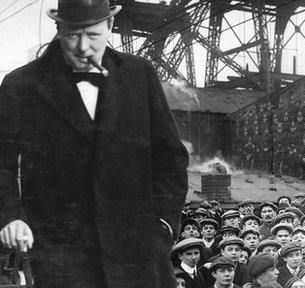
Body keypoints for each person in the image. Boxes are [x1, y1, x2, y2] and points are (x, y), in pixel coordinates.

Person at [0, 0, 189, 287]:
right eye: (73, 35)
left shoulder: (141, 74)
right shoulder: (21, 85)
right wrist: (11, 216)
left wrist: (163, 225)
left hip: (139, 255)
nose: (83, 47)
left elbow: (170, 157)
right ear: (58, 28)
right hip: (61, 259)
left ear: (110, 26)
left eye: (93, 35)